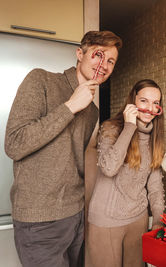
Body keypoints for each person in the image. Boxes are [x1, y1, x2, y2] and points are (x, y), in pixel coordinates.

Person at [4, 30, 122, 267]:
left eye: (111, 61)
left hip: (75, 215)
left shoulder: (93, 111)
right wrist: (70, 106)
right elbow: (15, 144)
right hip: (39, 220)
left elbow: (73, 160)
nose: (104, 65)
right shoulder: (41, 80)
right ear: (80, 54)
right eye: (98, 55)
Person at [87, 79, 165, 267]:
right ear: (133, 102)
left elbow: (155, 185)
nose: (150, 108)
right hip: (107, 219)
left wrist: (158, 219)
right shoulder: (111, 128)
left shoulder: (155, 137)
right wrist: (129, 126)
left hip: (138, 218)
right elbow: (109, 168)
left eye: (156, 103)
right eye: (144, 101)